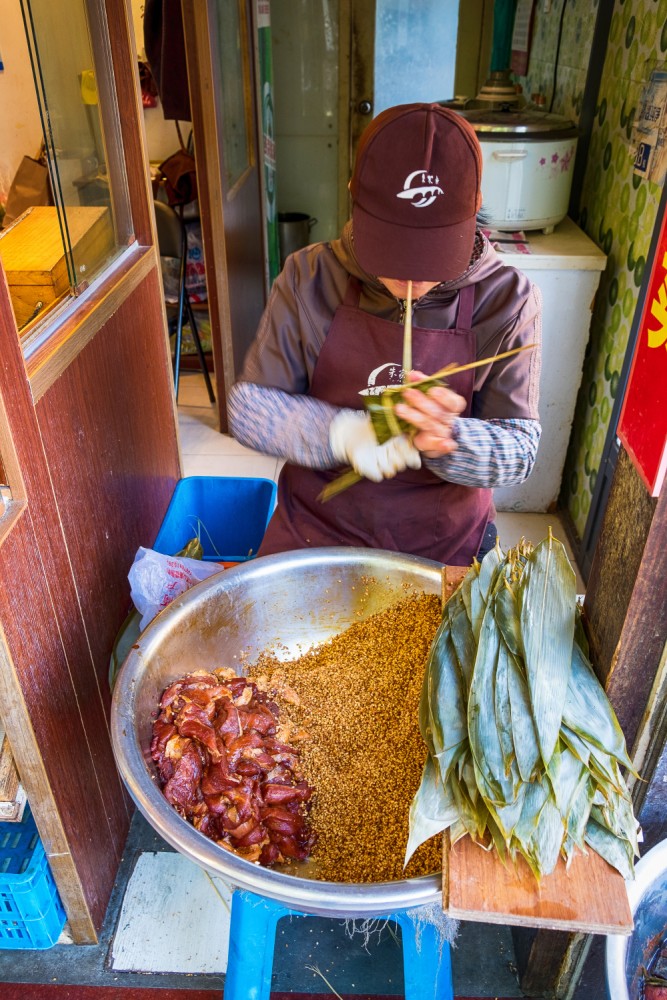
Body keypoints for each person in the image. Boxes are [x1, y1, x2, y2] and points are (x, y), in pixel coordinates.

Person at [228, 103, 542, 566]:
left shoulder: (509, 299)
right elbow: (249, 408)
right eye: (393, 251)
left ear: (472, 214)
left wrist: (449, 439)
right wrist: (341, 434)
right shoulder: (309, 276)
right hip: (318, 533)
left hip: (442, 545)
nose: (411, 280)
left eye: (432, 256)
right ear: (356, 200)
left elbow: (520, 448)